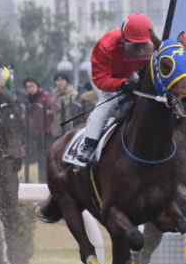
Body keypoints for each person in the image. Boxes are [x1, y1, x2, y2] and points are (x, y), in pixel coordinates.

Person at [73, 13, 159, 165]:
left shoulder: (151, 42)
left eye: (142, 45)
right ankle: (88, 145)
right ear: (124, 39)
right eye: (135, 45)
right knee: (106, 104)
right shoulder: (106, 46)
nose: (140, 50)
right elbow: (100, 79)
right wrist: (122, 84)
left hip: (129, 73)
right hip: (106, 75)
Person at [22, 77, 53, 180]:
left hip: (45, 133)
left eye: (32, 86)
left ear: (37, 86)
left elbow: (52, 113)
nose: (29, 89)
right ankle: (33, 178)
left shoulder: (45, 98)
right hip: (32, 134)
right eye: (27, 87)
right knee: (33, 158)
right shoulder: (27, 99)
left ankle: (43, 178)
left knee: (43, 158)